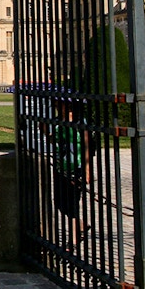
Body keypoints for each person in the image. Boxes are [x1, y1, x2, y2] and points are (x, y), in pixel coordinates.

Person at [51, 99, 90, 245]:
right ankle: (81, 225)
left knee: (73, 202)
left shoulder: (80, 121)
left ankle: (73, 240)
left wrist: (87, 169)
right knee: (59, 202)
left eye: (58, 104)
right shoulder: (56, 121)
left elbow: (86, 145)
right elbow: (54, 141)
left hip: (77, 166)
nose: (55, 106)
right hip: (60, 165)